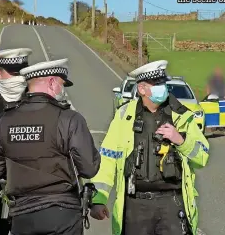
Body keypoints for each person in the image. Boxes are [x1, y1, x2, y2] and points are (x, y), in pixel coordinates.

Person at [0, 58, 101, 235]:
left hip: (22, 215)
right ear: (52, 83)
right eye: (61, 84)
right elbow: (89, 168)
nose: (62, 89)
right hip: (63, 213)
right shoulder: (69, 119)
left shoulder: (3, 121)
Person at [89, 60, 210, 235]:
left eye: (163, 82)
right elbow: (107, 159)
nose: (163, 87)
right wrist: (98, 199)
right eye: (157, 84)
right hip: (136, 205)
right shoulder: (124, 116)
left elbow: (203, 156)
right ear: (142, 89)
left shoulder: (182, 116)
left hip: (171, 203)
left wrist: (181, 141)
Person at [0, 48, 32, 235]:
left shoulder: (34, 98)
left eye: (22, 73)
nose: (19, 78)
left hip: (26, 183)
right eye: (13, 73)